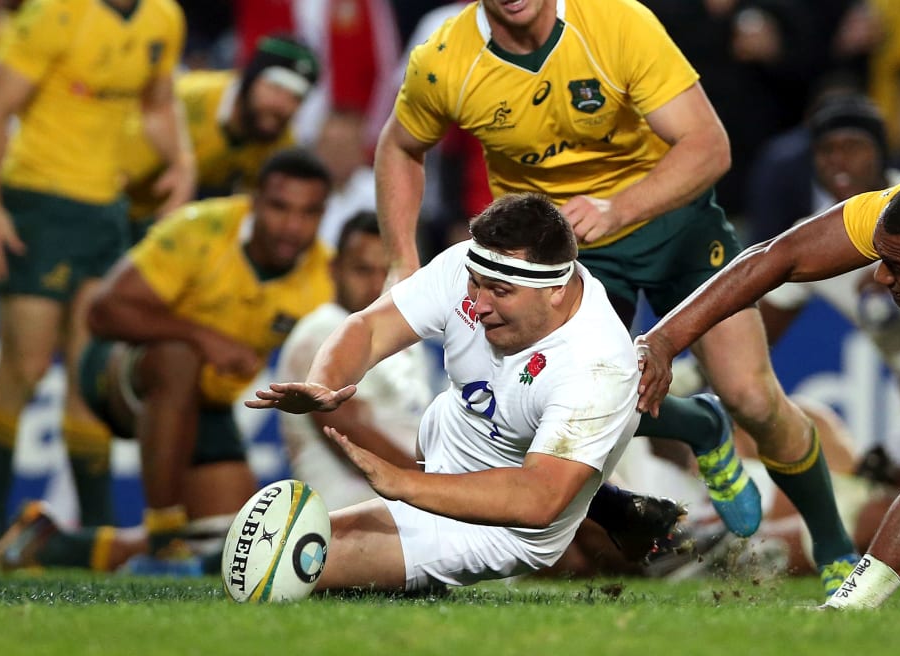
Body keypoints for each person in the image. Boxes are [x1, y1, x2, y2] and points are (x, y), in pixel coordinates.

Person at [373, 0, 857, 593]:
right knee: (532, 412)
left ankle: (835, 547)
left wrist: (618, 207)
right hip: (559, 256)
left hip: (676, 224)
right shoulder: (446, 60)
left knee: (753, 397)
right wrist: (402, 259)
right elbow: (400, 146)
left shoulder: (616, 23)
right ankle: (700, 427)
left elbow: (709, 146)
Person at [635, 172, 900, 608]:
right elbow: (777, 256)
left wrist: (844, 609)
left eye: (897, 267)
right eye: (881, 257)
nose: (879, 277)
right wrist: (663, 339)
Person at [246, 192, 640, 591]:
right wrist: (323, 381)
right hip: (439, 458)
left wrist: (404, 484)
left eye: (500, 293)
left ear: (555, 289)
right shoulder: (479, 264)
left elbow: (539, 499)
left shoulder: (598, 363)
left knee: (277, 573)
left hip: (505, 522)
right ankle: (410, 586)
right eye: (475, 285)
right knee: (269, 562)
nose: (479, 304)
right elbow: (369, 328)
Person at [0, 148, 334, 574]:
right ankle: (164, 530)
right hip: (121, 371)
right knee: (178, 357)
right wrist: (205, 339)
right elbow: (103, 311)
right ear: (254, 200)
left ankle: (51, 543)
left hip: (206, 405)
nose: (292, 227)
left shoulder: (322, 275)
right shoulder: (200, 230)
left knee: (232, 542)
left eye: (308, 213)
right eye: (280, 208)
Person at [0, 0, 191, 548]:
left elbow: (160, 103)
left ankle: (95, 536)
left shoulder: (163, 18)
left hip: (106, 212)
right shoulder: (53, 13)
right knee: (22, 369)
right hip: (37, 203)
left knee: (88, 379)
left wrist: (182, 163)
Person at [277, 210, 432, 511]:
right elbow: (351, 438)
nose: (376, 285)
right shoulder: (322, 331)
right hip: (351, 511)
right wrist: (438, 489)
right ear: (333, 269)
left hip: (403, 503)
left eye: (386, 272)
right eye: (362, 270)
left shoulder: (403, 336)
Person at [121, 33, 320, 242]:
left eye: (296, 97)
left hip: (183, 226)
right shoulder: (186, 100)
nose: (282, 105)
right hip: (123, 203)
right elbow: (115, 170)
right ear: (248, 78)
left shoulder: (282, 145)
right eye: (276, 88)